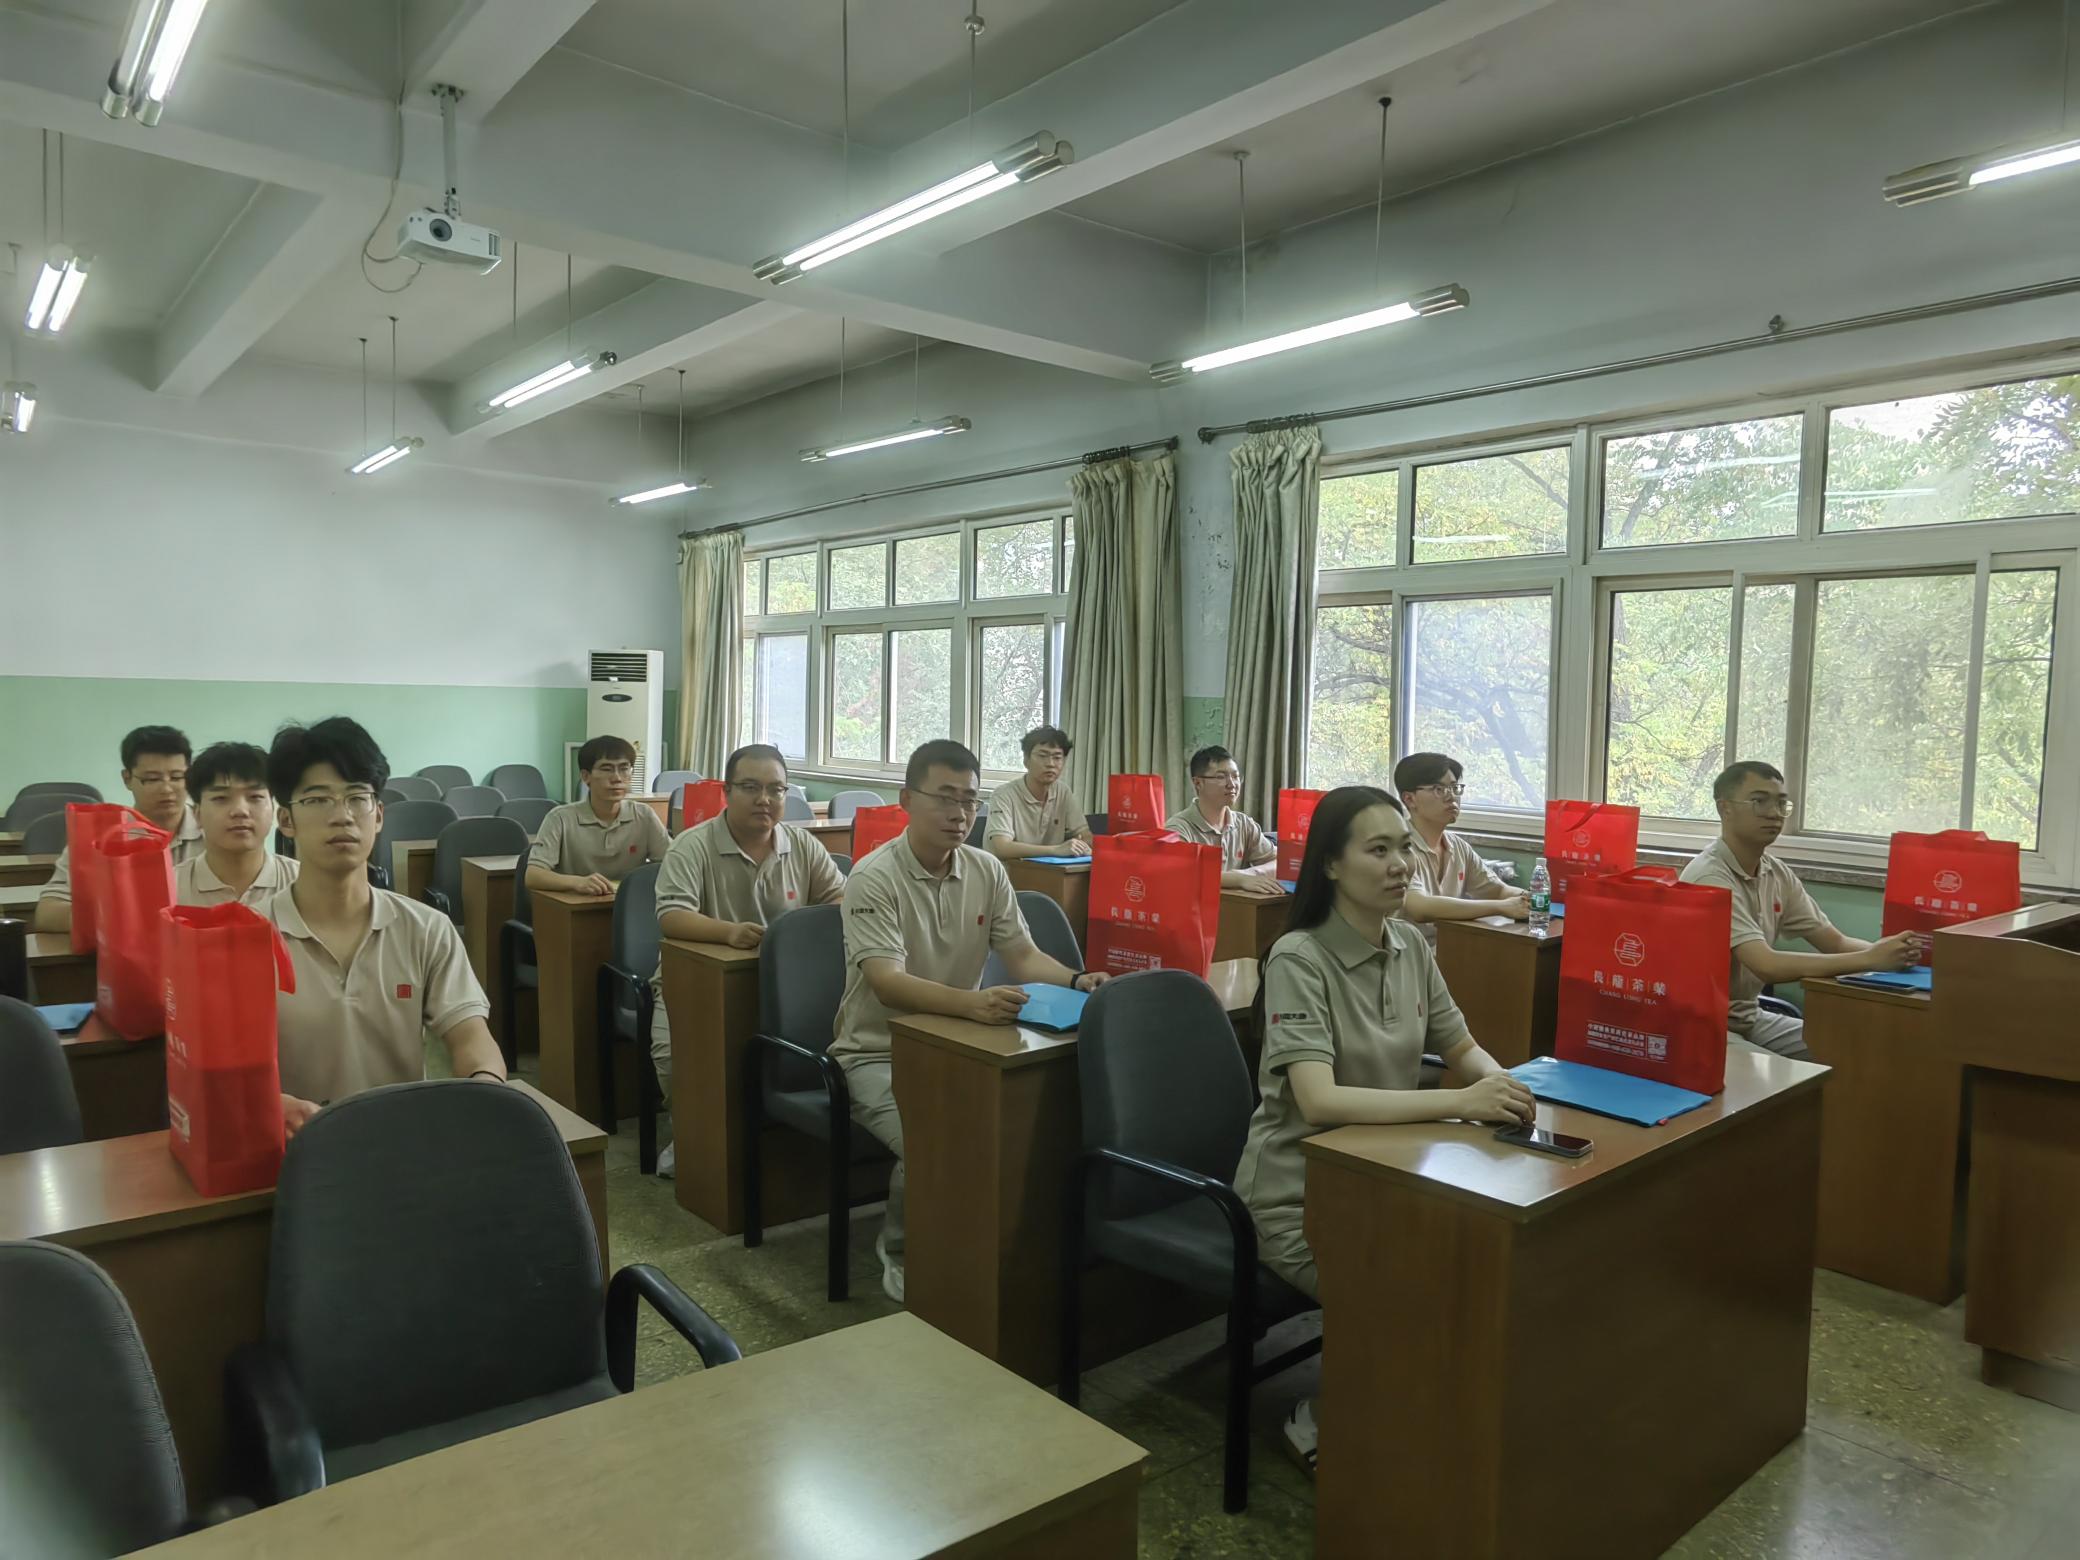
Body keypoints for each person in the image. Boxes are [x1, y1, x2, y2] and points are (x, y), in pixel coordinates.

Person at [1234, 784, 1533, 1474]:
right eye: (1378, 850)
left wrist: (1504, 1089)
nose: (1400, 864)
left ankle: (1429, 1417)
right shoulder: (1299, 958)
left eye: (1404, 848)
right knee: (1406, 1295)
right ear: (1331, 865)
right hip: (1296, 1199)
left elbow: (1461, 1045)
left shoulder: (1408, 945)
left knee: (1476, 1273)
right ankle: (1319, 1418)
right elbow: (1319, 1102)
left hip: (1386, 1180)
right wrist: (1459, 1104)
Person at [834, 739, 1108, 1303]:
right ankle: (902, 1248)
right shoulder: (873, 876)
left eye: (970, 800)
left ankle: (998, 1252)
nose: (960, 813)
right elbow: (886, 982)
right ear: (907, 799)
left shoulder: (986, 869)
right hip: (876, 1053)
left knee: (1026, 1125)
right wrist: (972, 1004)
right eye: (945, 798)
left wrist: (1080, 980)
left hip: (959, 1043)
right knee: (937, 1135)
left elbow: (1023, 956)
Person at [266, 717, 506, 1138]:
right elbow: (221, 1070)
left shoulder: (426, 929)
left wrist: (483, 1086)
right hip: (291, 1150)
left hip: (401, 1145)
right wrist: (268, 1104)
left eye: (357, 798)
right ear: (286, 820)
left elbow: (471, 1035)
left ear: (378, 815)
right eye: (318, 799)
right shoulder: (245, 937)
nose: (342, 816)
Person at [648, 742, 845, 1176]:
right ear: (727, 792)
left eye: (776, 789)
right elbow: (672, 915)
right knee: (673, 1057)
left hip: (787, 986)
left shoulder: (802, 845)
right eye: (751, 787)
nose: (765, 799)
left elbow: (839, 900)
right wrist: (729, 932)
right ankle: (692, 1137)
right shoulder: (692, 846)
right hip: (696, 982)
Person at [1679, 761, 1921, 1060]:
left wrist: (1890, 953)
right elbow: (1766, 965)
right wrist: (1870, 959)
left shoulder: (1776, 872)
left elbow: (1835, 943)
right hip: (1701, 1025)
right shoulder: (1709, 876)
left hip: (1748, 1016)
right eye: (1759, 801)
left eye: (1781, 803)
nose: (1773, 813)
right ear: (1724, 808)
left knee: (1853, 1050)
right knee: (1790, 1079)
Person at [33, 724, 204, 932]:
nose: (167, 788)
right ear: (127, 779)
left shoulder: (214, 829)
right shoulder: (100, 837)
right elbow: (47, 913)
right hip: (125, 945)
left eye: (177, 777)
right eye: (152, 779)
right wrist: (117, 918)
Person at [1392, 752, 1528, 941]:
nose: (1452, 797)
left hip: (1448, 948)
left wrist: (1527, 897)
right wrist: (1500, 907)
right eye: (1439, 789)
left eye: (1455, 787)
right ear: (1409, 799)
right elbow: (1419, 907)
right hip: (1404, 951)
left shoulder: (1458, 846)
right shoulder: (1398, 847)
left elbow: (1498, 890)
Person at [525, 735, 670, 897]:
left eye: (624, 769)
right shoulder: (560, 818)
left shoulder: (643, 815)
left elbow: (672, 864)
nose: (617, 778)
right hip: (578, 906)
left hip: (629, 904)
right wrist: (577, 882)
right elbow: (533, 876)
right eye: (607, 769)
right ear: (585, 776)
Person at [174, 741, 299, 907]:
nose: (240, 811)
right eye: (221, 798)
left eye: (255, 797)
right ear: (197, 814)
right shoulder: (170, 887)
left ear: (273, 808)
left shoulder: (303, 881)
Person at [1162, 746, 1284, 898]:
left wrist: (1252, 873)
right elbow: (1182, 873)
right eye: (1221, 777)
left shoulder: (1244, 824)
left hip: (1237, 908)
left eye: (1236, 776)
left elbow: (1280, 862)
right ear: (1198, 783)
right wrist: (1238, 879)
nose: (1232, 784)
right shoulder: (1177, 829)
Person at [985, 726, 1093, 860]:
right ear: (1026, 760)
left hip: (1050, 871)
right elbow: (1002, 847)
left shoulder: (1063, 792)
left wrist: (1083, 845)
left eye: (1057, 757)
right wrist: (1056, 850)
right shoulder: (1003, 795)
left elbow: (1084, 835)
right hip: (1008, 871)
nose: (1050, 764)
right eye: (1042, 756)